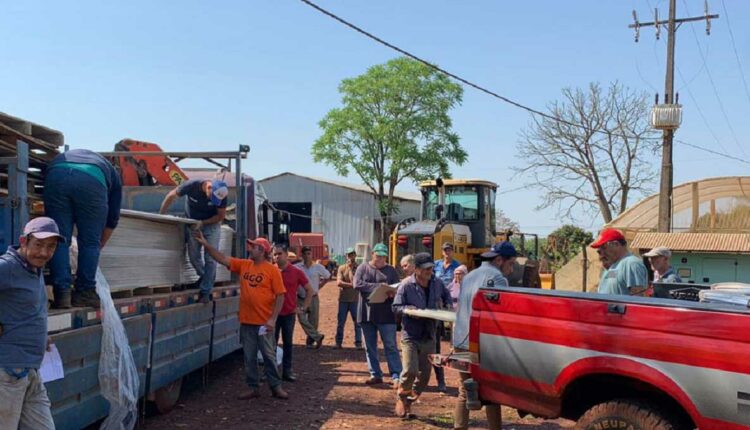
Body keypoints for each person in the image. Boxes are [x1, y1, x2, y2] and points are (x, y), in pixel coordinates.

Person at [194, 233, 289, 400]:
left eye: (253, 246)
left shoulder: (272, 271)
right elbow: (222, 259)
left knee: (269, 356)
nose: (250, 249)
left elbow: (280, 295)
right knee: (249, 357)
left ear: (262, 250)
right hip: (247, 322)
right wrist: (206, 244)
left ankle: (276, 386)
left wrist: (272, 319)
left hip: (264, 324)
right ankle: (253, 387)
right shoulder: (244, 265)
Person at [0, 217, 64, 429]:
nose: (44, 253)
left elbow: (24, 308)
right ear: (23, 241)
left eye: (51, 247)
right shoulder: (8, 267)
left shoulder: (33, 268)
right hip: (7, 373)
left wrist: (40, 333)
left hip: (31, 372)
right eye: (38, 245)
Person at [44, 149, 122, 309]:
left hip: (56, 174)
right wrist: (98, 246)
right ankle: (84, 292)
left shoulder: (86, 158)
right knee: (89, 243)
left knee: (59, 239)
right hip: (91, 181)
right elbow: (112, 219)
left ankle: (62, 294)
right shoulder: (112, 173)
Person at [452, 241, 518, 430]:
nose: (511, 270)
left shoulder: (470, 275)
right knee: (491, 393)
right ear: (499, 260)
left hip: (461, 340)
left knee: (464, 391)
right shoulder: (498, 279)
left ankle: (459, 427)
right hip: (481, 345)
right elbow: (497, 318)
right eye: (511, 263)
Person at [392, 253, 453, 417]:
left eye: (431, 268)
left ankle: (410, 400)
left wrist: (447, 307)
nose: (429, 271)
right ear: (416, 269)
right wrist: (409, 310)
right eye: (426, 268)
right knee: (410, 370)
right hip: (410, 335)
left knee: (425, 375)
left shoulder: (437, 283)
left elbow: (447, 297)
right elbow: (396, 307)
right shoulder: (406, 285)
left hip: (430, 334)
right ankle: (402, 396)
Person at [160, 178, 228, 303]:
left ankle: (205, 291)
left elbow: (220, 216)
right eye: (211, 198)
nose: (212, 201)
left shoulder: (221, 195)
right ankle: (204, 278)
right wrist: (161, 215)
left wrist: (202, 223)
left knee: (211, 258)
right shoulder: (192, 186)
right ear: (209, 188)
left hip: (211, 224)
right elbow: (171, 196)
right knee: (193, 256)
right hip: (192, 223)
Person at [354, 243, 402, 386]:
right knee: (369, 346)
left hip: (386, 314)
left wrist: (391, 292)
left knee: (390, 345)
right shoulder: (362, 268)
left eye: (383, 256)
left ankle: (396, 375)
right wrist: (378, 287)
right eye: (378, 255)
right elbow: (357, 284)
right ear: (372, 254)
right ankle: (375, 374)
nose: (380, 258)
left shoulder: (391, 271)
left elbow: (397, 288)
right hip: (366, 313)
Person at [273, 244, 316, 382]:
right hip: (271, 315)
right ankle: (270, 372)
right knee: (270, 344)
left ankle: (287, 371)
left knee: (287, 343)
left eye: (279, 253)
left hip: (288, 314)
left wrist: (303, 308)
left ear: (286, 254)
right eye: (274, 254)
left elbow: (310, 290)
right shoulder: (270, 271)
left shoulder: (296, 272)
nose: (276, 256)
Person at [591, 228, 649, 295]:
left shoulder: (631, 264)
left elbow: (637, 298)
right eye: (599, 251)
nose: (602, 253)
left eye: (604, 248)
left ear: (616, 244)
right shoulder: (612, 266)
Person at [295, 246, 331, 348]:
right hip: (301, 297)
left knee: (313, 322)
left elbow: (328, 276)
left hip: (314, 297)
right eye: (305, 254)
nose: (307, 256)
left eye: (309, 254)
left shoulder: (318, 267)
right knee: (302, 319)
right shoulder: (297, 267)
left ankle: (310, 342)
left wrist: (319, 286)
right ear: (301, 255)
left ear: (312, 255)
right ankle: (318, 337)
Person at [335, 247, 363, 349]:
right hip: (343, 300)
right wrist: (352, 285)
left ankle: (358, 342)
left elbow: (360, 282)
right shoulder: (342, 268)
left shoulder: (360, 268)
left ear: (355, 255)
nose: (351, 257)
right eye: (349, 254)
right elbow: (338, 282)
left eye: (352, 254)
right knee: (341, 322)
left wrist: (348, 284)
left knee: (358, 322)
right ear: (346, 256)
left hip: (355, 300)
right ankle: (338, 342)